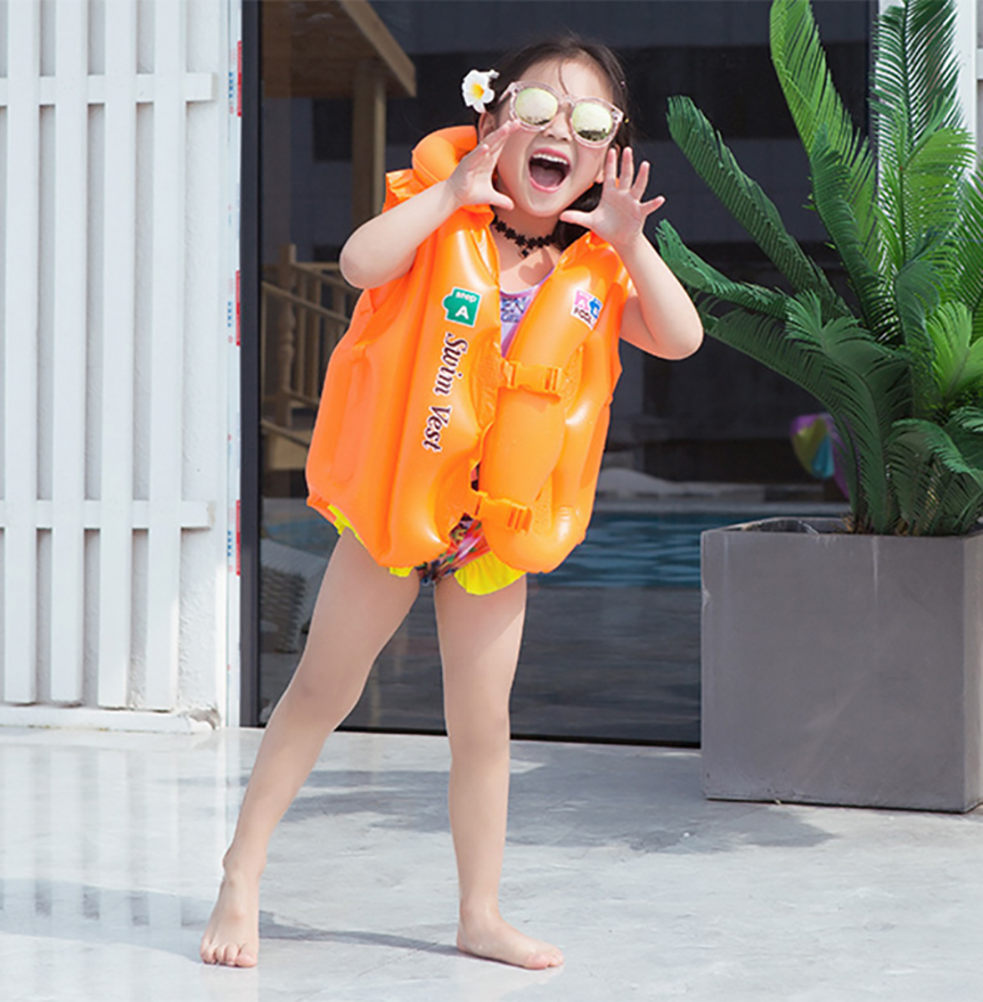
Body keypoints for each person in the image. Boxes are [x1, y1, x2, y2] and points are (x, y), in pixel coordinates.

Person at [201, 35, 703, 972]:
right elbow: (359, 264)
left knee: (482, 725)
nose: (562, 132)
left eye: (590, 122)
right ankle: (242, 872)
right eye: (539, 110)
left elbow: (681, 338)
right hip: (400, 508)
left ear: (608, 154)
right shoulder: (439, 225)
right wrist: (450, 194)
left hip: (495, 534)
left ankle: (480, 914)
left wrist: (632, 240)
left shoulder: (597, 272)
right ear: (494, 120)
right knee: (321, 692)